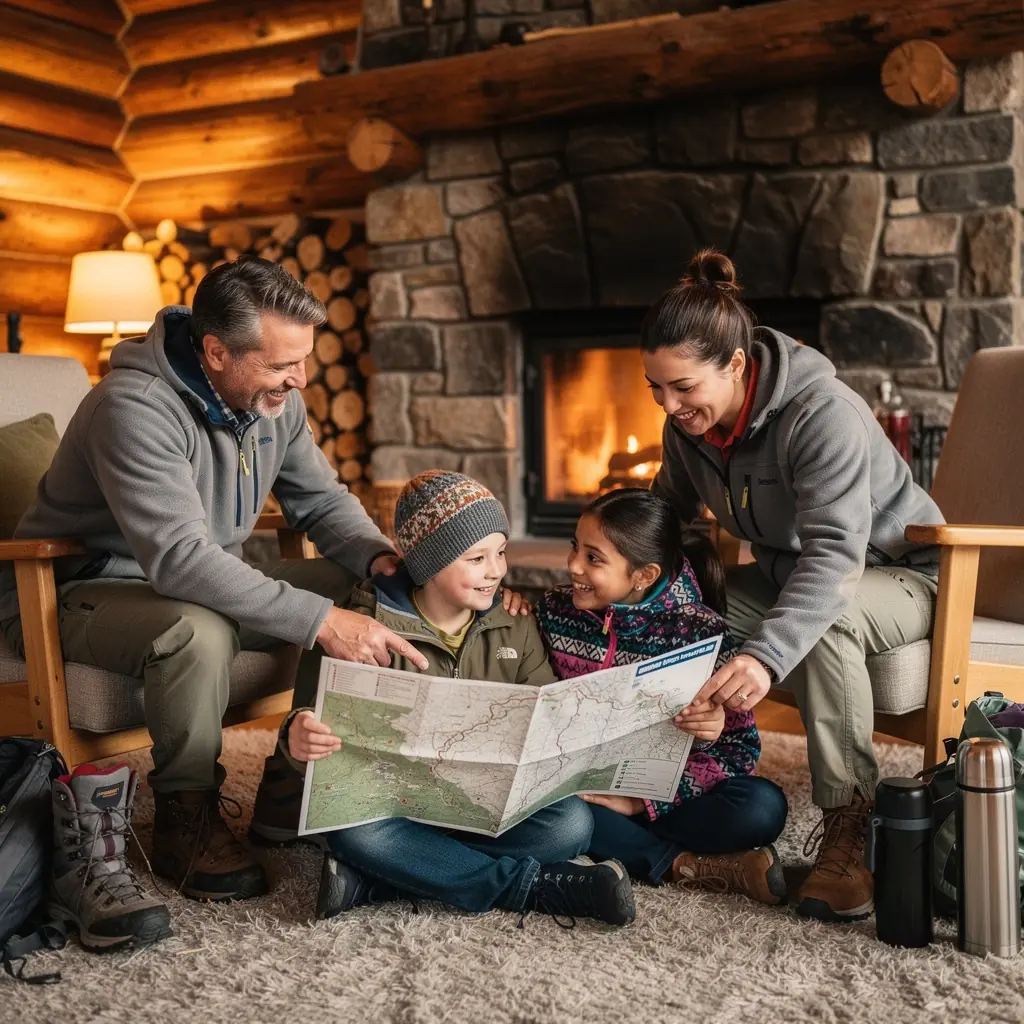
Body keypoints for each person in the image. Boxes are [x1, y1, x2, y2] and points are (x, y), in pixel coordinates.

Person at [0, 258, 432, 902]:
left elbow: (320, 499)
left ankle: (298, 783)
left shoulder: (271, 398)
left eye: (305, 359)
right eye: (283, 364)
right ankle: (187, 821)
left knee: (360, 588)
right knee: (194, 630)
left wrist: (381, 561)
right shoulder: (132, 407)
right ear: (216, 351)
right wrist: (316, 620)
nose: (301, 378)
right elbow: (178, 559)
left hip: (200, 576)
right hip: (82, 592)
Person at [642, 248, 944, 923]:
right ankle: (669, 772)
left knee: (822, 625)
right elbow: (666, 515)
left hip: (898, 576)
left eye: (683, 387)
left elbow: (836, 559)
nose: (669, 404)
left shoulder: (820, 413)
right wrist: (615, 568)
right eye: (656, 388)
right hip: (792, 575)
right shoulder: (685, 430)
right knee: (684, 603)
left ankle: (848, 825)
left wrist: (764, 654)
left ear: (737, 366)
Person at [282, 471, 636, 927]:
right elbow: (306, 724)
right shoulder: (359, 626)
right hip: (391, 805)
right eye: (477, 558)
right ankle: (534, 889)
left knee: (571, 824)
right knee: (356, 833)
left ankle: (384, 880)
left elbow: (545, 711)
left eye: (501, 553)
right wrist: (299, 735)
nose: (497, 570)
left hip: (480, 803)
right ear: (429, 562)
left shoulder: (514, 622)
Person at [535, 488, 788, 905]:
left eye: (593, 558)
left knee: (761, 807)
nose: (573, 565)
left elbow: (740, 751)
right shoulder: (553, 612)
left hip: (661, 799)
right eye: (575, 547)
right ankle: (680, 863)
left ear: (644, 575)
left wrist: (642, 801)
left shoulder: (702, 633)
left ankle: (621, 846)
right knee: (560, 816)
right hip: (583, 791)